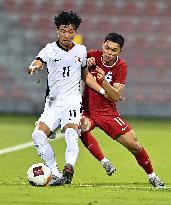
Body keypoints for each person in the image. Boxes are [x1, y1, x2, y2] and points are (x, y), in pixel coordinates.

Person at [27, 10, 106, 186]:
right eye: (63, 30)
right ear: (57, 30)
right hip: (53, 103)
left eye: (71, 31)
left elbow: (85, 75)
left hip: (72, 101)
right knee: (38, 136)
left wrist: (101, 91)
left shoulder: (81, 50)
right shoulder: (49, 49)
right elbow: (38, 61)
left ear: (75, 32)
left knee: (71, 132)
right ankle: (55, 174)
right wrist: (34, 67)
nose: (67, 35)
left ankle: (69, 168)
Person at [80, 32, 165, 188]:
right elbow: (73, 65)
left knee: (134, 145)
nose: (109, 53)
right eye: (107, 48)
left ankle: (152, 176)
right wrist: (83, 62)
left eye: (114, 50)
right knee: (80, 127)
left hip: (107, 112)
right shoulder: (91, 55)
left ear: (119, 51)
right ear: (102, 45)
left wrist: (104, 80)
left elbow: (115, 96)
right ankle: (104, 161)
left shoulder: (121, 66)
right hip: (87, 110)